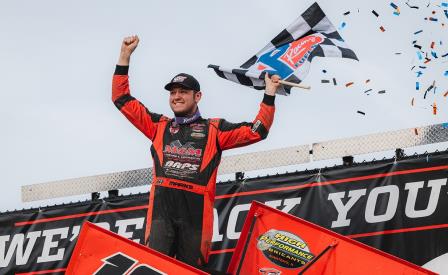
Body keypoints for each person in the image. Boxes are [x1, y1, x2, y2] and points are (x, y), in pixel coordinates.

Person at [112, 35, 281, 269]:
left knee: (190, 271)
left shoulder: (215, 129)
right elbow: (121, 98)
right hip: (162, 211)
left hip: (197, 216)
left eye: (183, 92)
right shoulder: (158, 126)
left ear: (197, 96)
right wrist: (124, 56)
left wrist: (269, 94)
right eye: (173, 93)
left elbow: (257, 131)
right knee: (153, 268)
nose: (177, 97)